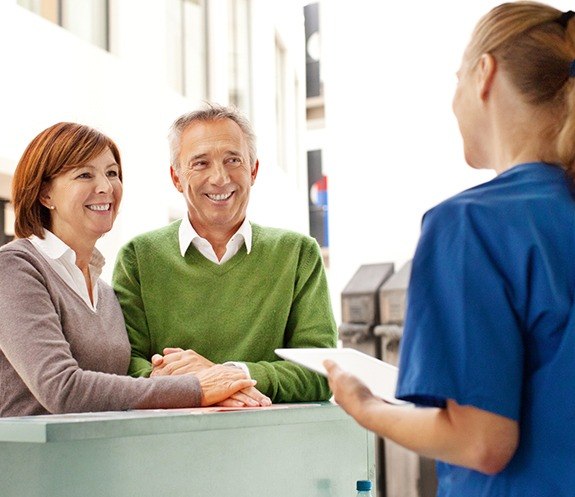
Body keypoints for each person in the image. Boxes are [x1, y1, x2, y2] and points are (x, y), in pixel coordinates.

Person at [324, 2, 575, 496]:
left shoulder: (469, 224)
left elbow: (482, 441)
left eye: (456, 76)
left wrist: (366, 407)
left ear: (484, 73)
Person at [0, 122, 258, 417]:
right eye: (85, 174)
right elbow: (63, 389)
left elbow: (115, 388)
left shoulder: (104, 293)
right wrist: (198, 388)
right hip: (27, 461)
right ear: (45, 195)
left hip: (95, 458)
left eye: (112, 173)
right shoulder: (14, 268)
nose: (105, 187)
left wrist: (164, 377)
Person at [112, 103, 337, 406]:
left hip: (273, 445)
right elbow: (126, 368)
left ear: (253, 169)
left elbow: (320, 372)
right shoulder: (138, 257)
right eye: (201, 163)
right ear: (176, 178)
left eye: (233, 160)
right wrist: (203, 387)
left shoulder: (298, 254)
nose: (220, 178)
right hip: (169, 445)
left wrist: (227, 374)